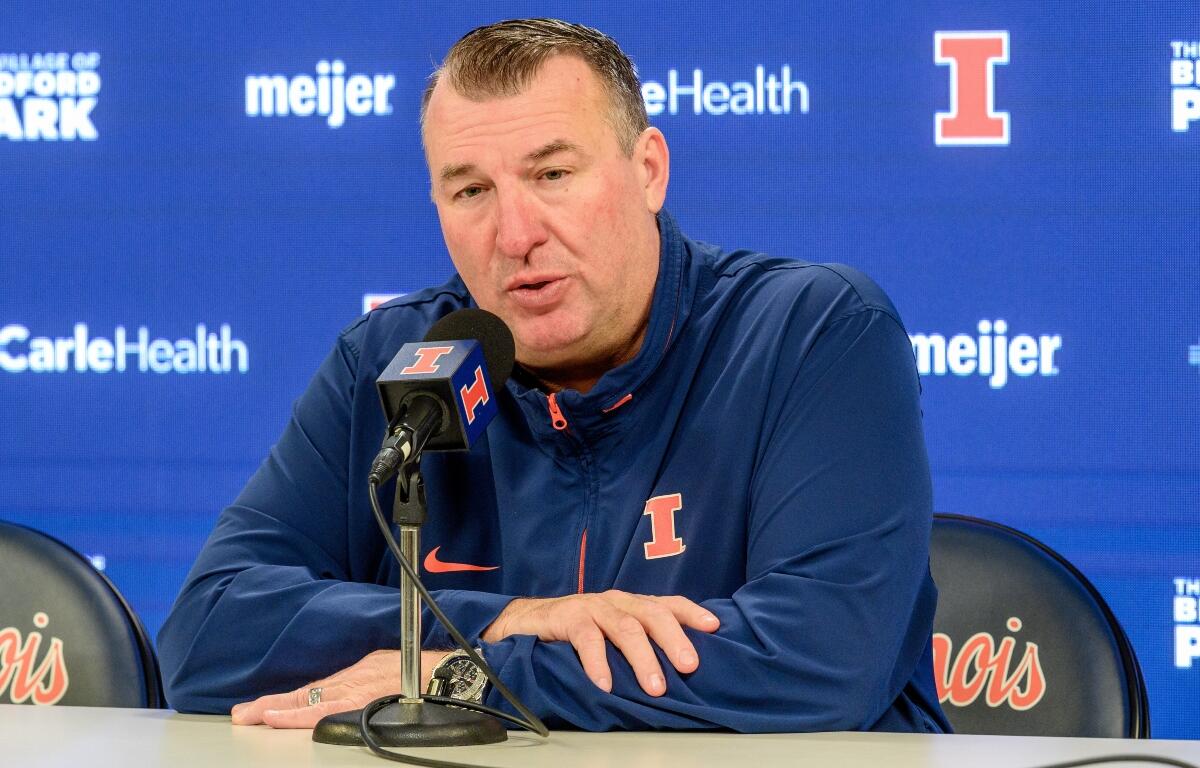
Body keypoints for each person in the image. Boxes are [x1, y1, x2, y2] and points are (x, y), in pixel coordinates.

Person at [158, 18, 950, 734]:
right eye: (471, 190)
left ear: (648, 170)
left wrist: (459, 677)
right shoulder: (393, 358)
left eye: (552, 176)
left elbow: (819, 661)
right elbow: (205, 634)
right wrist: (511, 621)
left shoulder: (812, 332)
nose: (514, 234)